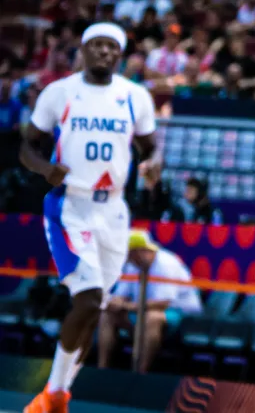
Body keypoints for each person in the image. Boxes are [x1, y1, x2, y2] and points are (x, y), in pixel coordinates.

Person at [19, 23, 159, 413]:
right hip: (71, 206)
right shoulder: (60, 92)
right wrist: (45, 169)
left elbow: (150, 148)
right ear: (83, 49)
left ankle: (57, 395)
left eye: (112, 46)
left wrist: (153, 165)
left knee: (95, 308)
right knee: (89, 298)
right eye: (97, 45)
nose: (105, 52)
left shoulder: (135, 96)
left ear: (120, 55)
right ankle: (52, 395)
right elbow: (27, 146)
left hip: (114, 210)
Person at [98, 230, 202, 373]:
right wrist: (115, 302)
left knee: (152, 318)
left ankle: (141, 373)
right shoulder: (133, 265)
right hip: (142, 310)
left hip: (181, 314)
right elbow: (122, 295)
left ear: (138, 251)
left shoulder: (166, 264)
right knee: (108, 315)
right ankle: (102, 369)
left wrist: (127, 306)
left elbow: (163, 303)